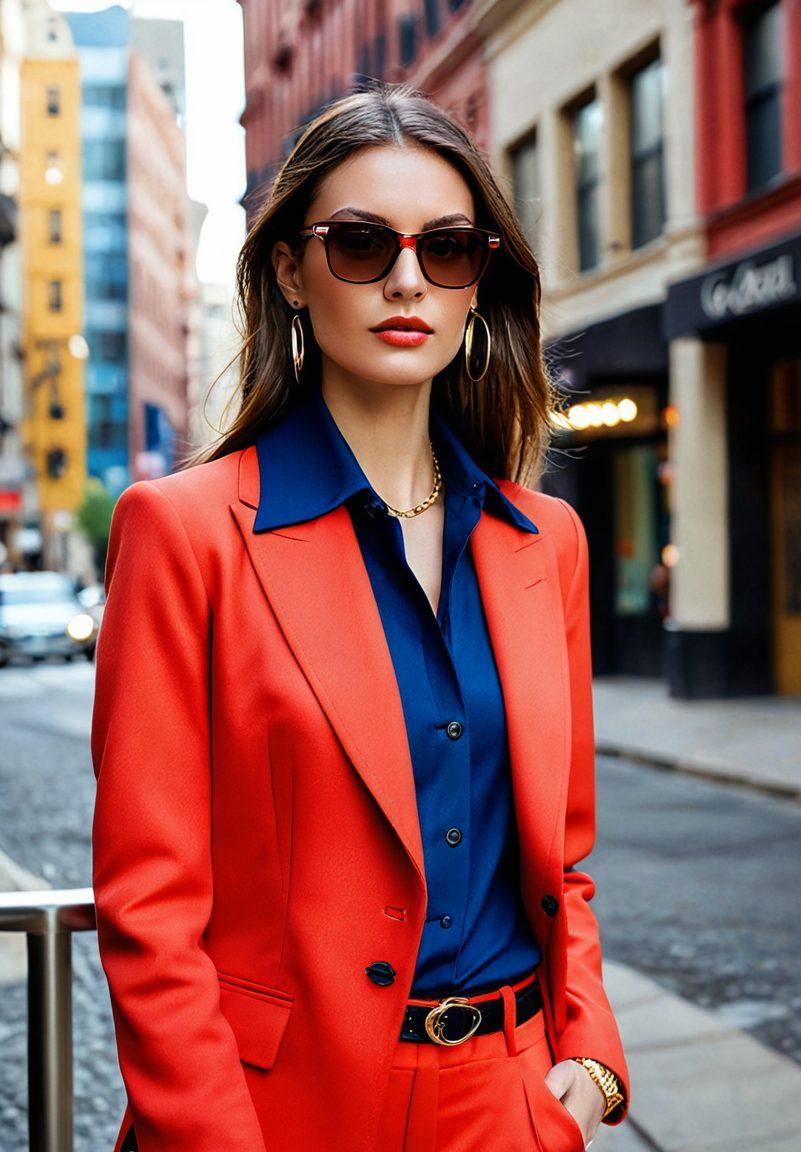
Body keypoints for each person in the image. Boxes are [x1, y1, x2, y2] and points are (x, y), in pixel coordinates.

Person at [91, 80, 629, 1152]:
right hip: (278, 1113)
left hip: (511, 1099)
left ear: (480, 282)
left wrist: (592, 1062)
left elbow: (559, 859)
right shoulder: (183, 532)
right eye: (357, 244)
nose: (404, 280)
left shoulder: (544, 543)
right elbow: (149, 910)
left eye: (446, 250)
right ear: (290, 270)